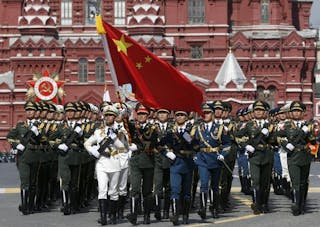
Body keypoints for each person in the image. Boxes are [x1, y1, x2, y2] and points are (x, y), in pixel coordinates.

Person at [85, 104, 128, 225]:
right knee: (102, 190)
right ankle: (103, 217)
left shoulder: (121, 130)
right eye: (106, 115)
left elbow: (123, 147)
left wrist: (114, 138)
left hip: (114, 162)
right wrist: (93, 150)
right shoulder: (99, 131)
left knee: (113, 191)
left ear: (115, 117)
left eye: (110, 115)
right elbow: (87, 143)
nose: (108, 117)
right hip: (102, 163)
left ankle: (113, 215)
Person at [276, 101, 316, 216]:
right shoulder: (286, 125)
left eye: (298, 111)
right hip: (293, 156)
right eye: (294, 111)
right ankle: (295, 204)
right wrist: (285, 144)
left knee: (303, 181)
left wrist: (309, 133)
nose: (296, 113)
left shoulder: (308, 125)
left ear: (303, 113)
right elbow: (279, 136)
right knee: (295, 181)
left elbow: (312, 141)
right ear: (291, 113)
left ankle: (302, 202)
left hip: (304, 155)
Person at [193, 103, 231, 220]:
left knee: (214, 186)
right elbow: (192, 143)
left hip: (215, 159)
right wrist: (194, 155)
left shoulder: (220, 128)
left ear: (213, 114)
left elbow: (227, 144)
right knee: (204, 184)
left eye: (208, 113)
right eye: (203, 113)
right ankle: (203, 208)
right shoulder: (198, 128)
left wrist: (223, 154)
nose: (205, 115)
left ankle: (214, 208)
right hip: (203, 158)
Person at [159, 110, 195, 225]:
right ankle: (175, 215)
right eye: (178, 115)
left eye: (182, 115)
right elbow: (160, 145)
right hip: (176, 163)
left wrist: (186, 135)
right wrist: (167, 153)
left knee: (186, 192)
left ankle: (185, 215)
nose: (179, 117)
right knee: (175, 189)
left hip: (188, 163)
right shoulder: (170, 132)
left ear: (186, 117)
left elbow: (195, 145)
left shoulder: (191, 130)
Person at [6, 101, 40, 215]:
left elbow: (45, 140)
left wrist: (38, 134)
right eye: (28, 110)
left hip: (36, 156)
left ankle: (31, 205)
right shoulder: (21, 125)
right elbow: (10, 137)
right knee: (25, 181)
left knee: (34, 182)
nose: (29, 112)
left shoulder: (40, 125)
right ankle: (24, 205)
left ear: (36, 112)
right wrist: (16, 145)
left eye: (32, 110)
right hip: (24, 157)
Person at [241, 101, 274, 214]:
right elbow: (238, 136)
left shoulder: (270, 125)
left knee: (265, 181)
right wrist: (246, 145)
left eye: (260, 110)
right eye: (256, 110)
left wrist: (270, 135)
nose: (258, 112)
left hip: (267, 154)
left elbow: (275, 140)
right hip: (254, 155)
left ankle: (264, 203)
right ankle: (256, 204)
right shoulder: (248, 125)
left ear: (265, 112)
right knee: (255, 180)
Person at [126, 103, 157, 225]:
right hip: (135, 161)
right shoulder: (133, 126)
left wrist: (137, 145)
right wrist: (123, 112)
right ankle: (133, 214)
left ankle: (147, 215)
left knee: (147, 191)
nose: (141, 116)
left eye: (143, 114)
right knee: (134, 188)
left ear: (147, 115)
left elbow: (151, 143)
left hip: (148, 161)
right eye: (139, 114)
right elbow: (125, 122)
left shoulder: (153, 128)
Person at [153, 109, 172, 221]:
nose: (162, 115)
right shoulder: (152, 128)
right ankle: (157, 210)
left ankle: (166, 210)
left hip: (170, 162)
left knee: (169, 188)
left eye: (164, 113)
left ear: (168, 115)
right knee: (158, 187)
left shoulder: (173, 128)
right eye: (159, 113)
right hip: (157, 161)